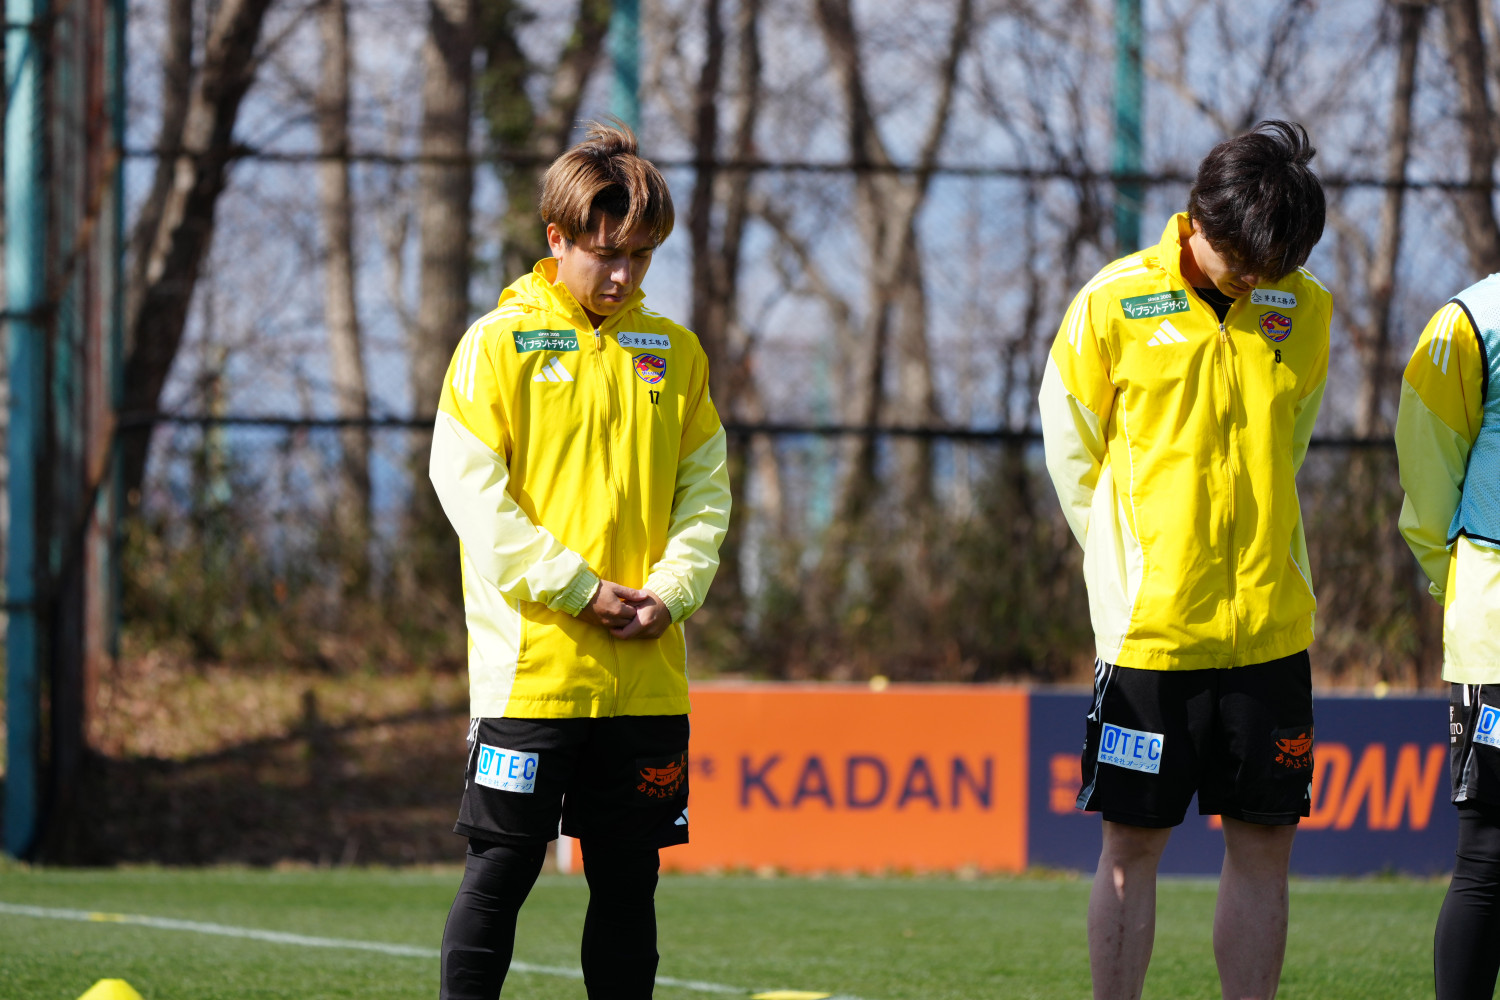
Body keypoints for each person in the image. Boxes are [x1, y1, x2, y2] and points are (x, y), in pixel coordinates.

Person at [428, 121, 731, 1000]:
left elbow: (705, 494)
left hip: (645, 672)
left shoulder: (675, 353)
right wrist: (577, 588)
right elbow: (470, 493)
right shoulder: (497, 345)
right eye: (606, 254)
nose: (624, 275)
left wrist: (672, 592)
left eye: (640, 255)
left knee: (630, 879)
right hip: (535, 673)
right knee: (503, 868)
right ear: (556, 238)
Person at [1039, 120, 1329, 1000]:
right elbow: (1072, 452)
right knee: (1132, 846)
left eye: (1277, 263)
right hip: (1152, 636)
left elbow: (1289, 444)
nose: (1258, 276)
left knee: (1266, 845)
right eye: (1245, 258)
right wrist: (1127, 563)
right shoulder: (1113, 301)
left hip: (1269, 631)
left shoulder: (1304, 308)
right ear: (1199, 217)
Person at [1396, 283, 1500, 1000]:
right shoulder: (1469, 325)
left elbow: (1430, 492)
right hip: (1495, 632)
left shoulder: (1471, 320)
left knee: (1489, 858)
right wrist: (1456, 582)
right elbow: (1428, 481)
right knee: (1490, 854)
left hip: (1489, 621)